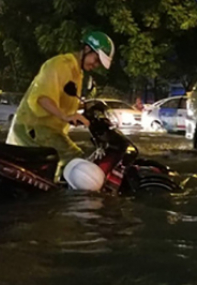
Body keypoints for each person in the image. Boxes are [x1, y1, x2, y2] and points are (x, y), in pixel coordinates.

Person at [6, 31, 115, 181]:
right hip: (34, 129)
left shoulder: (77, 73)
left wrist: (87, 108)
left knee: (62, 170)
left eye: (98, 64)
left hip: (48, 131)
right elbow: (42, 98)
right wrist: (65, 116)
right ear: (87, 49)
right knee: (77, 161)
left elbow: (66, 101)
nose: (95, 65)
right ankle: (70, 202)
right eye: (96, 60)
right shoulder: (60, 65)